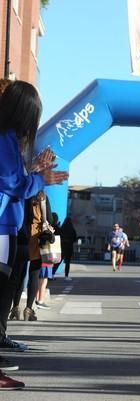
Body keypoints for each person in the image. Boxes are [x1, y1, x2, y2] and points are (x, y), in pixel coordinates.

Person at [0, 80, 68, 389]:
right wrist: (41, 178)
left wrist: (35, 172)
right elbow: (14, 185)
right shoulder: (5, 139)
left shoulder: (9, 140)